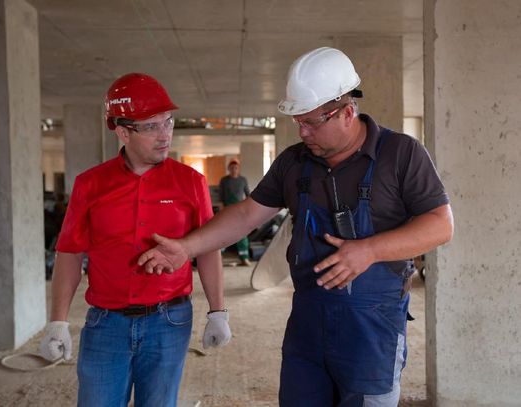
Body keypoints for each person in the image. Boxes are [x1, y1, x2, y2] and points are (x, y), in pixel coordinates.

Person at [137, 47, 454, 406]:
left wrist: (370, 250)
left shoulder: (401, 154)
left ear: (347, 112)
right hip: (308, 322)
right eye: (297, 121)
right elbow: (245, 215)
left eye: (311, 122)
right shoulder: (294, 163)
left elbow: (440, 225)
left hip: (372, 327)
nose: (302, 132)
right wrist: (187, 248)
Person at [39, 73, 231, 407]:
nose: (165, 135)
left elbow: (208, 249)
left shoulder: (191, 182)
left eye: (168, 123)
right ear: (123, 131)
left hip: (169, 322)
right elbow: (69, 253)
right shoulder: (90, 185)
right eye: (152, 126)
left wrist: (218, 311)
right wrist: (57, 321)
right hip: (106, 324)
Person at [218, 158, 251, 266]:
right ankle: (219, 257)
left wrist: (248, 208)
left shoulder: (243, 180)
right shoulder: (224, 180)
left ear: (238, 168)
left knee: (242, 234)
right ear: (229, 168)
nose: (234, 169)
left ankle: (244, 257)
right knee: (224, 233)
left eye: (236, 168)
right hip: (227, 209)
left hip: (239, 210)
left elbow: (248, 194)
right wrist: (221, 208)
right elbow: (221, 196)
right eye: (232, 168)